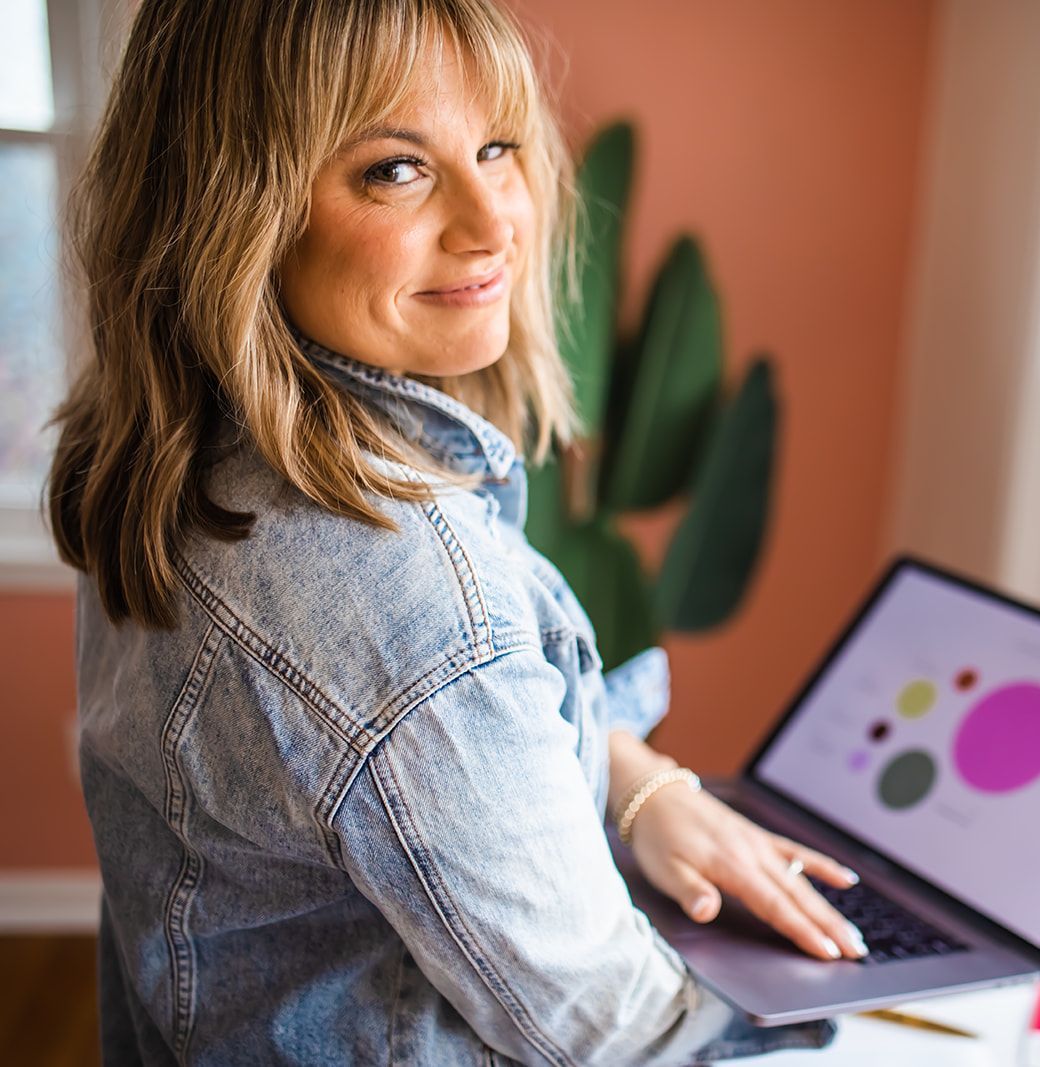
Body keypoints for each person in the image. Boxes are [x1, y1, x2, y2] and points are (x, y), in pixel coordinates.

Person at [47, 1, 865, 1062]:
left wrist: (636, 778)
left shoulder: (176, 453)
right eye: (395, 169)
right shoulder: (402, 591)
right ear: (231, 208)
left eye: (496, 147)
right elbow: (627, 1040)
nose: (493, 222)